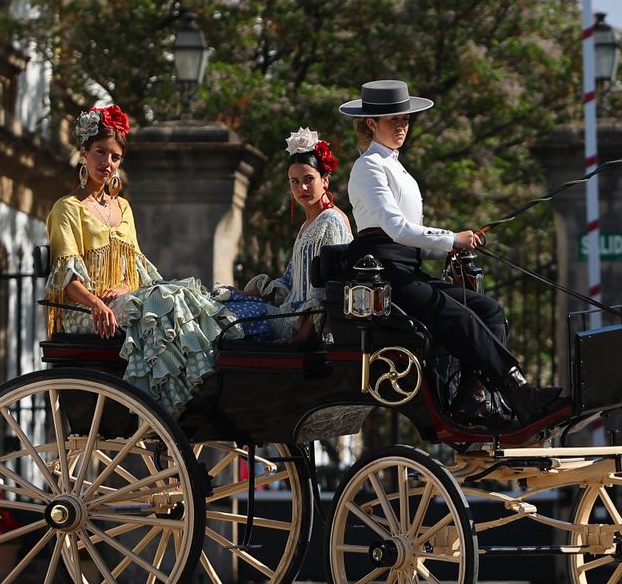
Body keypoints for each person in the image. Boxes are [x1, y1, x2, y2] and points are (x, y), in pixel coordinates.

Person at [341, 79, 562, 427]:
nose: (402, 126)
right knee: (459, 316)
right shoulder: (368, 167)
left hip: (406, 266)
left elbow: (410, 238)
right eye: (394, 120)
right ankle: (519, 391)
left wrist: (452, 246)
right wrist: (452, 239)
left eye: (406, 120)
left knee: (488, 310)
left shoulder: (397, 168)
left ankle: (471, 397)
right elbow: (397, 229)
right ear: (372, 123)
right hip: (383, 273)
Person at [44, 103, 225, 415]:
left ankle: (196, 373)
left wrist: (126, 286)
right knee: (161, 300)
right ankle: (167, 396)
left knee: (180, 294)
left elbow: (138, 271)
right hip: (85, 311)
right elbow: (66, 280)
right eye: (101, 152)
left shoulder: (123, 208)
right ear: (84, 152)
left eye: (115, 157)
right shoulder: (68, 209)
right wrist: (97, 303)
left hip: (125, 303)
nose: (108, 163)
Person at [219, 128, 353, 342]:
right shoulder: (307, 226)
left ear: (325, 180)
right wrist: (243, 294)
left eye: (309, 179)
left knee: (221, 318)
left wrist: (301, 338)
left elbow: (326, 288)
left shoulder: (331, 221)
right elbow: (289, 282)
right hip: (287, 316)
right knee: (216, 304)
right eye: (295, 181)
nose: (303, 187)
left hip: (306, 328)